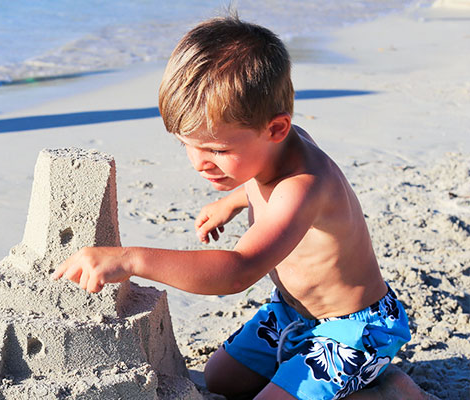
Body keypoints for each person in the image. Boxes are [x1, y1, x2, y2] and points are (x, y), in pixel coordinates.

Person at [51, 15, 427, 399]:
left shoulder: (305, 186)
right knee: (219, 379)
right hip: (293, 313)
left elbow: (237, 271)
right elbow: (261, 181)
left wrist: (131, 259)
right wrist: (230, 201)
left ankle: (388, 390)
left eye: (217, 150)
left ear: (277, 129)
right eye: (187, 145)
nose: (199, 162)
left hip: (354, 327)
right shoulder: (270, 151)